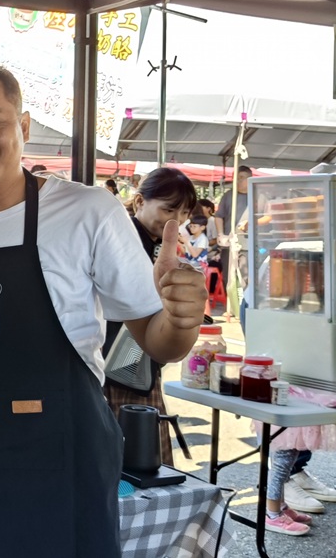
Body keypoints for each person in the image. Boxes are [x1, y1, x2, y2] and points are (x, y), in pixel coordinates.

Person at [0, 59, 207, 557]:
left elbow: (157, 340)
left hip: (66, 461)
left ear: (23, 125)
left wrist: (182, 320)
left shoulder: (88, 211)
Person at [104, 167, 198, 465]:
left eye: (184, 212)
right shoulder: (125, 241)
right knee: (135, 461)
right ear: (140, 201)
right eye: (169, 209)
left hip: (133, 364)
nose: (177, 220)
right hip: (120, 366)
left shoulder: (152, 242)